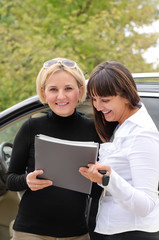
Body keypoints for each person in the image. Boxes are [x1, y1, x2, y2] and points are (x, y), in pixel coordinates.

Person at [6, 58, 102, 240]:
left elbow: (100, 190)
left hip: (76, 234)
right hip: (29, 232)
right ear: (43, 92)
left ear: (80, 90)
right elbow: (10, 179)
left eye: (68, 88)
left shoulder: (94, 130)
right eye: (53, 89)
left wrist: (96, 178)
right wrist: (27, 181)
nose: (61, 96)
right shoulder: (30, 127)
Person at [79, 61, 159, 240]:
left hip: (132, 232)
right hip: (113, 229)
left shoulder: (142, 134)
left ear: (126, 95)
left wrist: (107, 179)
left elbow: (146, 204)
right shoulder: (120, 126)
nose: (98, 107)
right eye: (94, 99)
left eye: (105, 100)